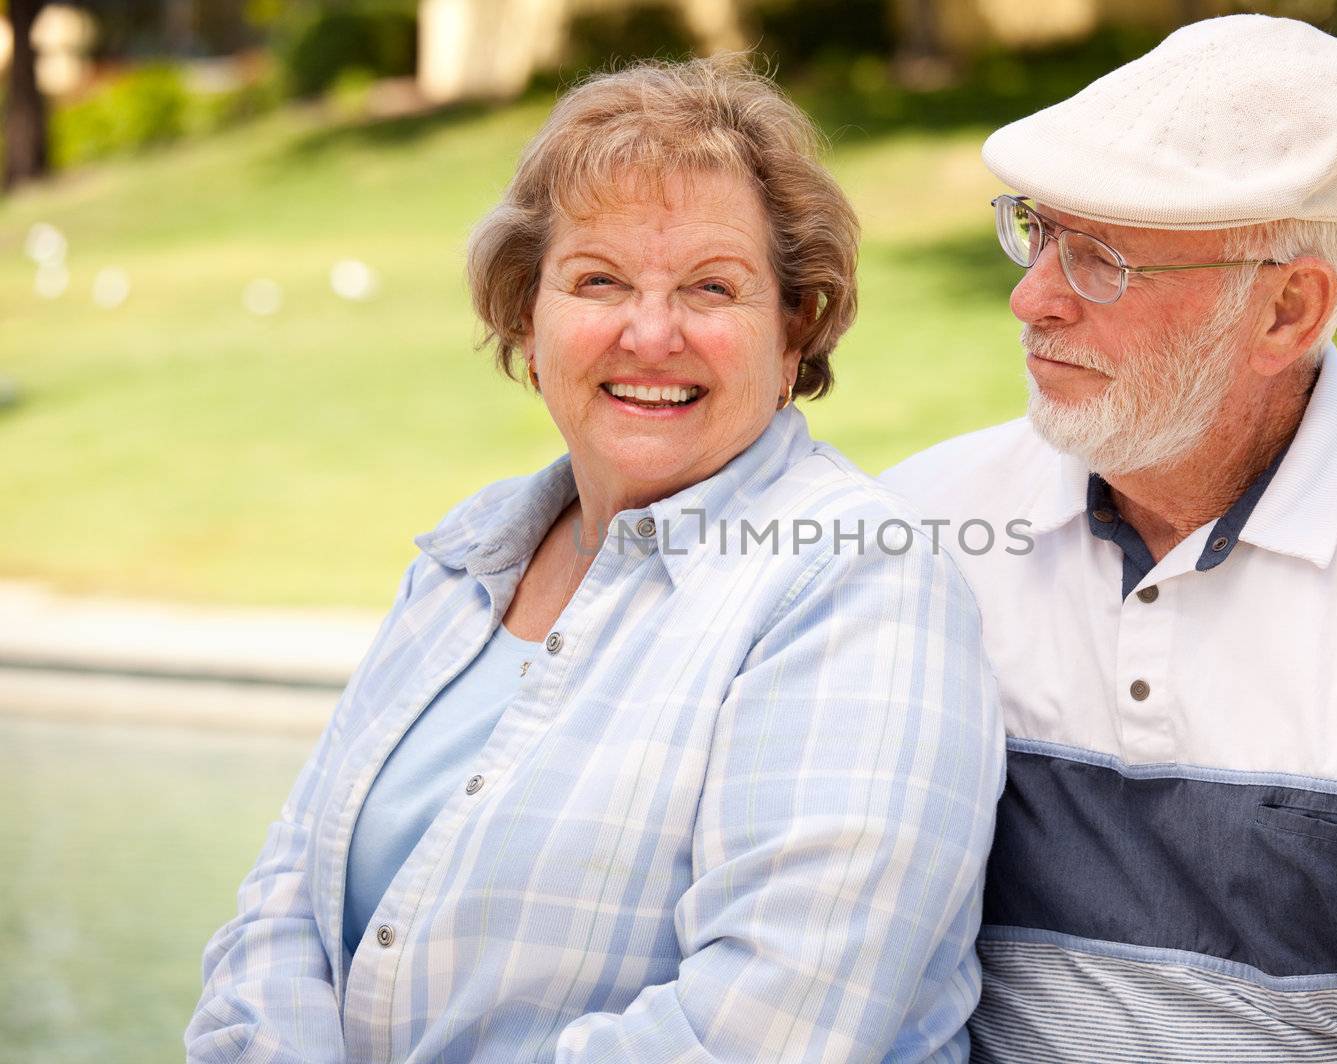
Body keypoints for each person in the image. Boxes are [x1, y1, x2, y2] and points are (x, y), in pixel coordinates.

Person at [187, 57, 1004, 1063]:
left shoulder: (858, 583)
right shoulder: (469, 553)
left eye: (712, 286)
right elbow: (278, 914)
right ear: (528, 322)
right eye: (598, 280)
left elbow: (764, 1028)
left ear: (794, 329)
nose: (650, 332)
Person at [883, 15, 1337, 1064]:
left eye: (1100, 261)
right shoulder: (926, 523)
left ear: (1286, 310)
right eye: (1038, 232)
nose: (1030, 297)